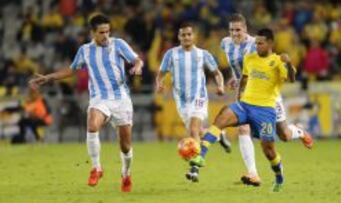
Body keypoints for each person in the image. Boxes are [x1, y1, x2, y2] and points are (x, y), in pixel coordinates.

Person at [29, 14, 143, 192]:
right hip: (99, 98)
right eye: (101, 32)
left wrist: (137, 66)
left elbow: (137, 59)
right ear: (92, 33)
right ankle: (96, 168)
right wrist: (49, 77)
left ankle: (126, 174)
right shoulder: (85, 50)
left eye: (107, 31)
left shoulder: (118, 44)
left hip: (121, 99)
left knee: (125, 145)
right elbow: (72, 70)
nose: (105, 35)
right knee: (92, 124)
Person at [190, 28, 303, 192]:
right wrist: (239, 97)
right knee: (221, 117)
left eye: (260, 43)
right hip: (245, 105)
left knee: (268, 150)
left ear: (270, 43)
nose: (257, 46)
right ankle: (200, 156)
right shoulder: (249, 59)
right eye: (256, 43)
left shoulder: (278, 61)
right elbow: (244, 79)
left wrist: (289, 63)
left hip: (265, 111)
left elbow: (292, 79)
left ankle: (279, 176)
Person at [220, 14, 313, 186]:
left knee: (284, 134)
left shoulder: (256, 44)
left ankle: (298, 131)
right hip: (247, 95)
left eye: (238, 30)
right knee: (243, 129)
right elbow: (242, 68)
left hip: (268, 96)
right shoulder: (225, 43)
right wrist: (237, 79)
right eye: (232, 30)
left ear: (246, 29)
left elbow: (269, 63)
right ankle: (253, 173)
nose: (235, 33)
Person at [155, 22, 226, 181]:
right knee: (199, 132)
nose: (186, 37)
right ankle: (219, 134)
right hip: (182, 102)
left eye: (189, 34)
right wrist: (159, 83)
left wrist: (220, 85)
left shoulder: (203, 54)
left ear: (194, 36)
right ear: (179, 37)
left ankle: (194, 168)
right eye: (183, 35)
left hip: (199, 97)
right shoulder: (171, 54)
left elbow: (217, 73)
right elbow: (161, 73)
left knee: (193, 131)